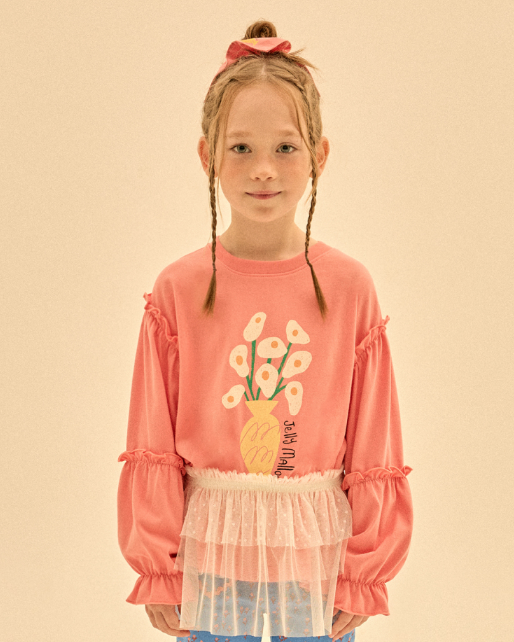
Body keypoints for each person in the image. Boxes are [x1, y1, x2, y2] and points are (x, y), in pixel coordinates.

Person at [116, 19, 414, 642]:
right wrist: (159, 565)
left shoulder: (349, 287)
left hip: (317, 558)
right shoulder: (178, 290)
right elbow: (153, 434)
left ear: (319, 156)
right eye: (241, 148)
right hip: (212, 556)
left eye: (285, 148)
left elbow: (374, 437)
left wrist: (366, 570)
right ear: (207, 156)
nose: (263, 170)